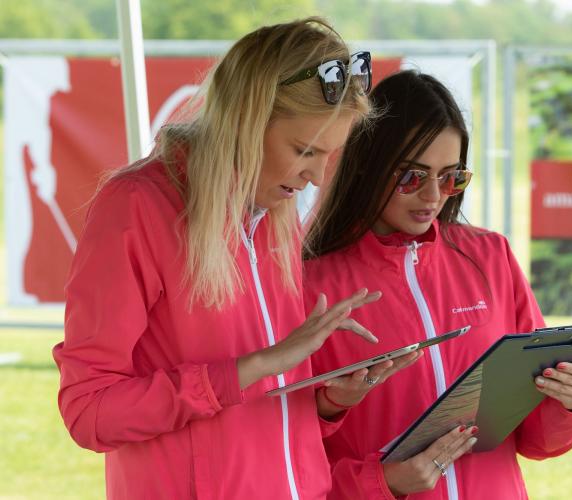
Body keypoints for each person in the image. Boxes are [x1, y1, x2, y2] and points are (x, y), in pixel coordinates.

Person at [52, 18, 419, 499]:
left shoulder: (273, 217)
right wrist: (253, 367)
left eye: (327, 156)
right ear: (246, 120)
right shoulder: (138, 206)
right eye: (304, 150)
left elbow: (260, 422)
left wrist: (327, 400)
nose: (314, 176)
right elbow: (90, 412)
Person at [302, 70, 572, 499]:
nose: (433, 196)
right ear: (368, 165)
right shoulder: (311, 283)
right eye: (412, 177)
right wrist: (382, 483)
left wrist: (571, 401)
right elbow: (287, 453)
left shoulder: (491, 257)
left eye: (451, 177)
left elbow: (538, 440)